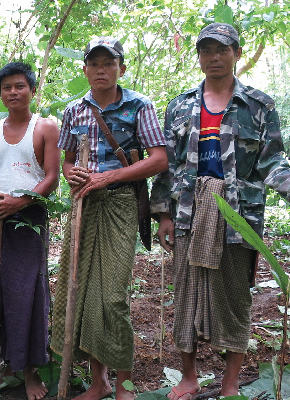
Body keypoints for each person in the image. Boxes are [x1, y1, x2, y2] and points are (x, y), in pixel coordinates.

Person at [150, 23, 290, 400]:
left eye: (222, 50)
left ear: (237, 54)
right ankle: (189, 377)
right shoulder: (180, 106)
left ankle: (230, 384)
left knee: (234, 299)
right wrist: (164, 213)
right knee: (185, 298)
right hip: (188, 215)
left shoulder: (259, 105)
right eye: (206, 50)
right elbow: (170, 165)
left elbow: (272, 161)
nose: (214, 57)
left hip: (238, 217)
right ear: (198, 56)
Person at [50, 37, 168, 400]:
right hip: (84, 205)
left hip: (120, 203)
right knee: (80, 291)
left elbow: (159, 158)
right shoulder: (75, 110)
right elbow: (67, 160)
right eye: (94, 64)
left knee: (112, 295)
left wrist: (108, 176)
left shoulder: (139, 106)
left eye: (108, 63)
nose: (101, 70)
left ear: (121, 68)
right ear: (84, 69)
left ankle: (124, 385)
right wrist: (72, 173)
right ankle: (98, 382)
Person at [0, 62, 60, 400]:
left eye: (20, 86)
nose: (13, 92)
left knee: (30, 293)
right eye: (7, 87)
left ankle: (30, 371)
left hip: (31, 219)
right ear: (0, 94)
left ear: (32, 89)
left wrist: (21, 201)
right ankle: (4, 366)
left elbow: (52, 177)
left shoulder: (45, 128)